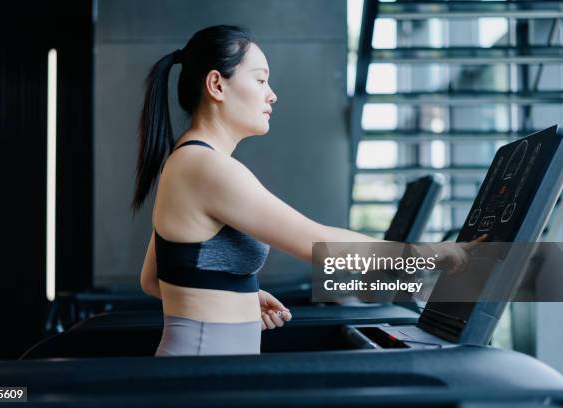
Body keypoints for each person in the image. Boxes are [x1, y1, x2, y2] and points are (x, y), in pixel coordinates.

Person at [134, 25, 481, 357]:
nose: (272, 94)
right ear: (217, 85)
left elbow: (152, 279)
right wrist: (430, 254)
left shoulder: (187, 162)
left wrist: (239, 298)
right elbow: (321, 245)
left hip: (206, 370)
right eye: (260, 80)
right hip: (202, 381)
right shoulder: (207, 168)